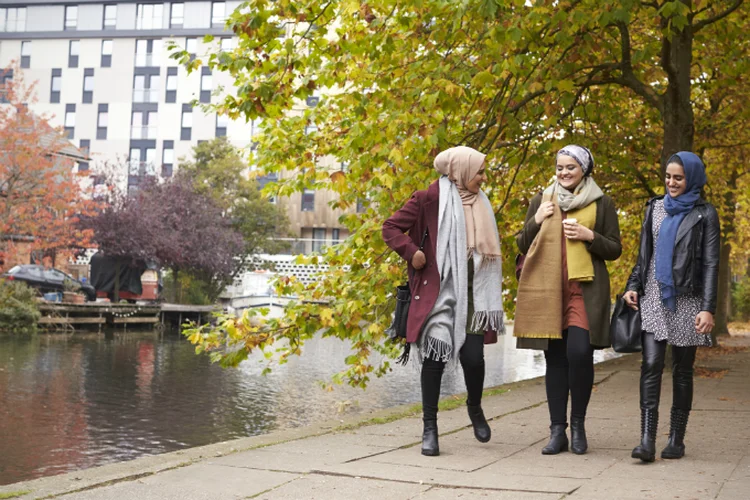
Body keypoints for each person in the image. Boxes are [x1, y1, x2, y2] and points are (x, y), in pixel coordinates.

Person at [382, 146, 505, 457]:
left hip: (475, 295)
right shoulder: (428, 199)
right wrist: (413, 253)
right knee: (434, 361)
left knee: (474, 359)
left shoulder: (483, 204)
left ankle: (474, 407)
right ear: (460, 171)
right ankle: (430, 428)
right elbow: (391, 228)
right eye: (480, 171)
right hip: (439, 292)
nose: (483, 177)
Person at [514, 145, 621, 455]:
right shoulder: (542, 199)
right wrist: (536, 218)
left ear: (584, 170)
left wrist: (590, 237)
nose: (563, 173)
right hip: (549, 292)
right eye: (560, 167)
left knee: (579, 353)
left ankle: (579, 425)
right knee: (555, 359)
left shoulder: (603, 203)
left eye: (570, 168)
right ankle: (557, 430)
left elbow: (614, 249)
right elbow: (522, 243)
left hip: (583, 292)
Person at [623, 152, 719, 463]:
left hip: (687, 299)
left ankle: (676, 439)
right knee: (650, 365)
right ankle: (646, 440)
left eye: (678, 177)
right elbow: (644, 255)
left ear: (691, 178)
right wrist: (632, 286)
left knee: (682, 371)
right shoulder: (654, 208)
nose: (671, 182)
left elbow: (711, 264)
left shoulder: (705, 214)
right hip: (653, 295)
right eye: (668, 176)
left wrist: (707, 308)